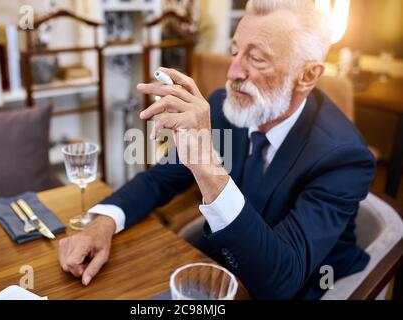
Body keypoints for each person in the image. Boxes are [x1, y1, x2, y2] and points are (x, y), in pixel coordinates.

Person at [58, 0, 376, 299]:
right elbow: (159, 180)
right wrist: (102, 223)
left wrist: (206, 164)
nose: (233, 73)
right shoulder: (225, 108)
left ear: (307, 75)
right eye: (234, 52)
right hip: (224, 265)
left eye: (256, 58)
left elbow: (280, 281)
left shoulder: (344, 157)